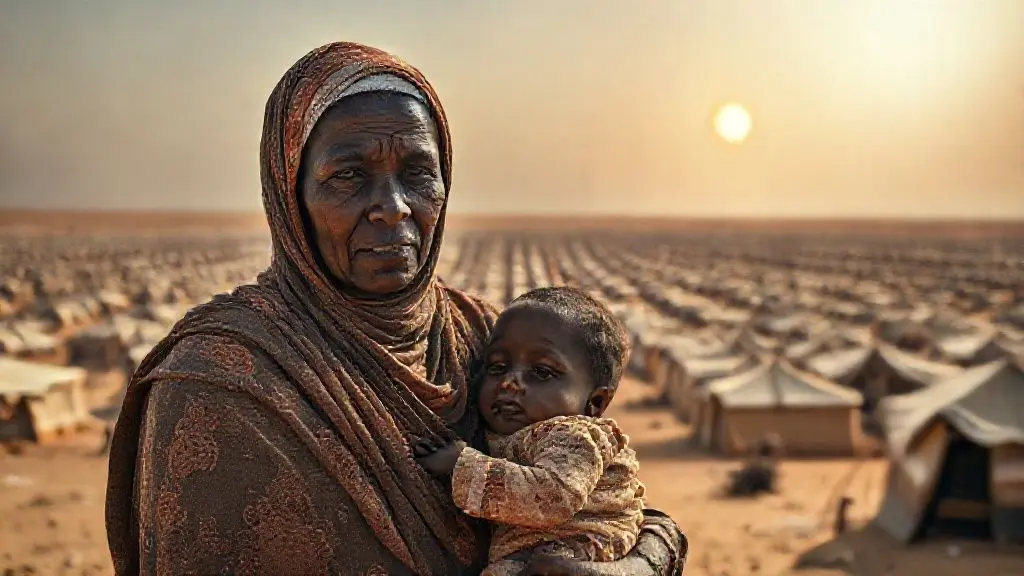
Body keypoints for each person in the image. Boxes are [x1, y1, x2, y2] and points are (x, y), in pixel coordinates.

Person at [104, 42, 687, 576]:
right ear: (290, 194)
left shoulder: (485, 337)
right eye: (349, 176)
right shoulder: (220, 378)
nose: (392, 207)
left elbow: (611, 498)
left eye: (417, 173)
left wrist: (636, 565)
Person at [415, 287, 645, 575]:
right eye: (497, 367)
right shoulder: (514, 432)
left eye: (542, 372)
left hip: (573, 553)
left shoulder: (575, 436)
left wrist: (462, 464)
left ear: (595, 403)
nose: (510, 382)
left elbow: (553, 497)